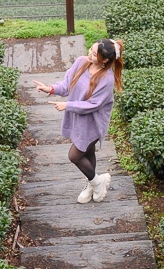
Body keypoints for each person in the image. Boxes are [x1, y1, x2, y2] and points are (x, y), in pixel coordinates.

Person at [33, 38, 123, 204]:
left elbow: (92, 105)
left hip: (93, 124)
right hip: (78, 119)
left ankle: (97, 182)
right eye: (90, 49)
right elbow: (67, 85)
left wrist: (67, 105)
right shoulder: (82, 62)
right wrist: (50, 89)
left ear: (105, 60)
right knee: (87, 152)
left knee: (74, 155)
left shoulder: (106, 79)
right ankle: (92, 184)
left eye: (94, 54)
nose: (89, 53)